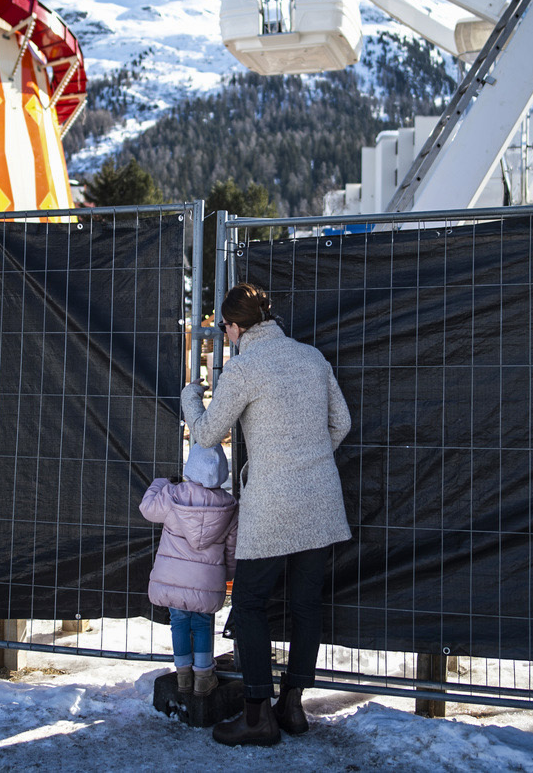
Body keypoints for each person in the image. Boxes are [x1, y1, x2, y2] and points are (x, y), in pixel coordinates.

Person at [180, 283, 351, 747]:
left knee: (251, 604)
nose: (227, 337)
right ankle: (292, 708)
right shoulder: (311, 357)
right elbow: (343, 423)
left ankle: (257, 716)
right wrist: (309, 458)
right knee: (306, 604)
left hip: (273, 504)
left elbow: (209, 433)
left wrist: (189, 399)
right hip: (320, 499)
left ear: (235, 327)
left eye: (226, 329)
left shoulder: (244, 368)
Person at [140, 443, 238, 697]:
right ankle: (204, 676)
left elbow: (147, 509)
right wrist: (227, 574)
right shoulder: (229, 506)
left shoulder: (173, 495)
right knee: (203, 623)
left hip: (172, 577)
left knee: (179, 622)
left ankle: (183, 674)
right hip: (207, 580)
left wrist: (161, 483)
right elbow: (231, 547)